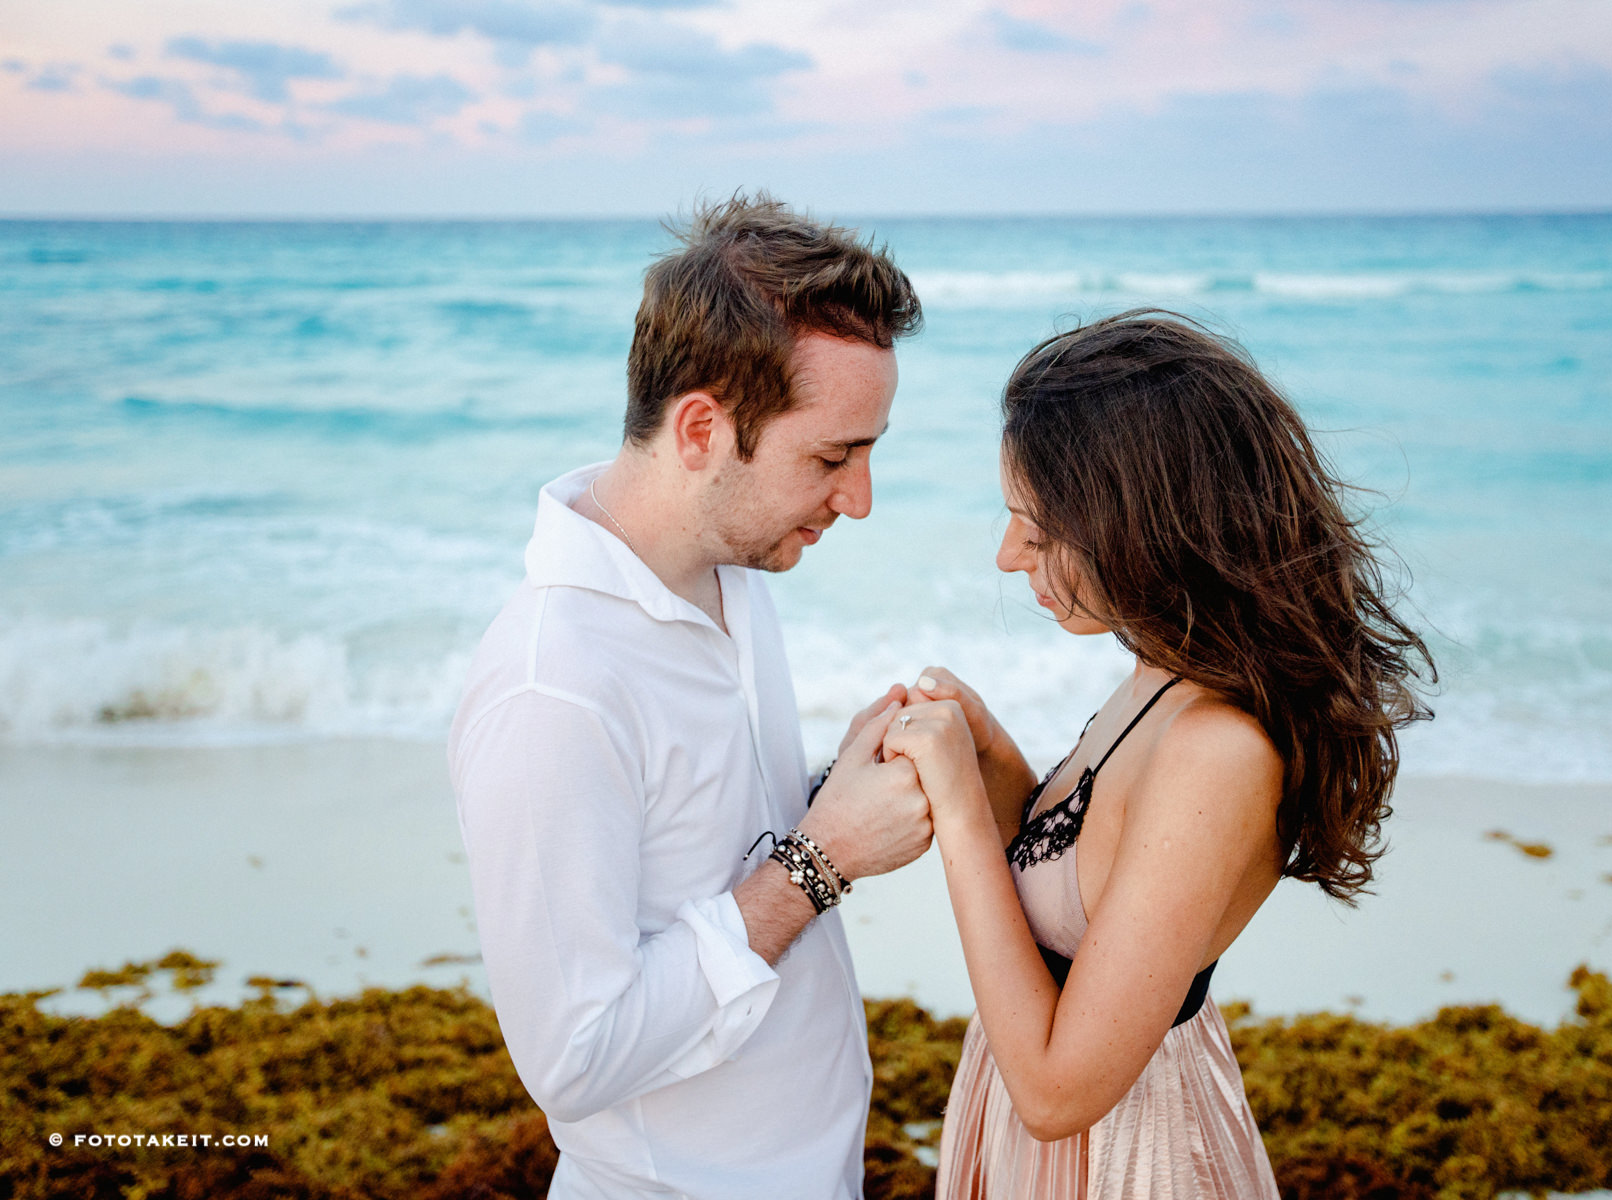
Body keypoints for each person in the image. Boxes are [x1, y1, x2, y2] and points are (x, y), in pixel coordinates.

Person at [881, 311, 1435, 1199]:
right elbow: (1086, 878)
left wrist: (957, 820)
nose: (1006, 554)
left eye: (1039, 525)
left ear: (1142, 522)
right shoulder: (1162, 669)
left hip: (1124, 1159)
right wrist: (989, 758)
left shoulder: (1217, 751)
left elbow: (1059, 1093)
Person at [447, 195, 934, 1200]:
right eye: (834, 456)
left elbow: (703, 851)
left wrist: (827, 791)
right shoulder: (555, 688)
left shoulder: (735, 572)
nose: (861, 499)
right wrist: (827, 856)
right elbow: (575, 1056)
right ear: (703, 430)